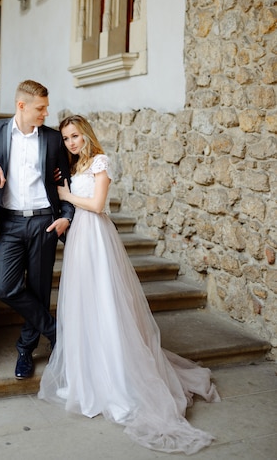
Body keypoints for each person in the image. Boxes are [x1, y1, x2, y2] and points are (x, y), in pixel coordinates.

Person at [39, 114, 220, 455]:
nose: (71, 143)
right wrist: (63, 199)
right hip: (79, 241)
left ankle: (119, 381)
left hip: (97, 237)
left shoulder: (99, 162)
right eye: (65, 138)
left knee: (106, 302)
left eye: (75, 136)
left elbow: (96, 204)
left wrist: (66, 194)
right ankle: (87, 378)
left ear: (86, 135)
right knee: (82, 305)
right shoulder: (73, 168)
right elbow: (70, 203)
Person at [0, 80, 74, 379]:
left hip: (45, 221)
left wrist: (67, 216)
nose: (46, 113)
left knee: (40, 290)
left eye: (46, 107)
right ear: (22, 106)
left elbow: (66, 184)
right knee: (5, 288)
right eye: (41, 108)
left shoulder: (53, 139)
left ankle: (26, 349)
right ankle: (55, 331)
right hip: (10, 222)